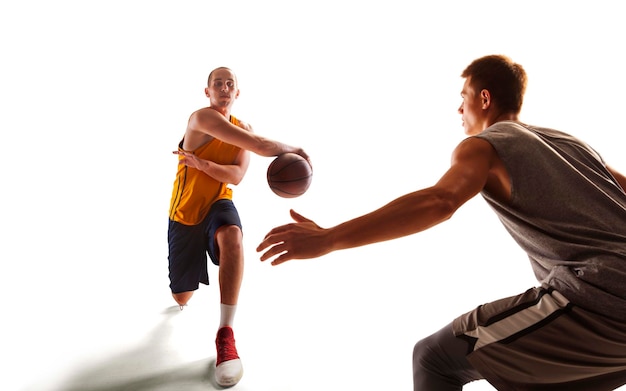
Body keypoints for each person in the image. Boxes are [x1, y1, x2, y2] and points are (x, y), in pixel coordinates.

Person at [256, 55, 626, 390]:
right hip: (609, 312)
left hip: (602, 297)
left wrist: (329, 238)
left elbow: (440, 201)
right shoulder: (574, 145)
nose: (459, 108)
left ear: (483, 99)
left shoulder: (485, 145)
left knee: (434, 358)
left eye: (463, 97)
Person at [168, 66, 308, 387]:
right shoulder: (201, 119)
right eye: (218, 83)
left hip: (219, 202)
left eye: (230, 83)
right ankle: (185, 289)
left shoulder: (242, 128)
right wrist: (295, 150)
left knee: (233, 236)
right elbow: (257, 145)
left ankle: (225, 334)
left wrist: (203, 164)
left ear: (237, 93)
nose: (224, 87)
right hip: (186, 212)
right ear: (208, 91)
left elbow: (236, 177)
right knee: (182, 297)